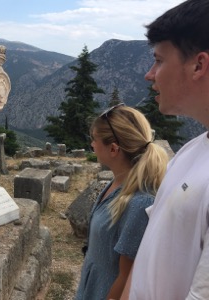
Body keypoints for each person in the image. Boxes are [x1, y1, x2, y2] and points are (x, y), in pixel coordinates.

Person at [121, 0, 209, 299]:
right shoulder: (190, 151)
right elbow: (151, 247)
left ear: (199, 65)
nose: (150, 74)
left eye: (159, 60)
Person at [75, 104, 168, 300]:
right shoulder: (117, 182)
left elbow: (127, 277)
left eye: (94, 139)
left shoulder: (139, 203)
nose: (92, 144)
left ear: (114, 149)